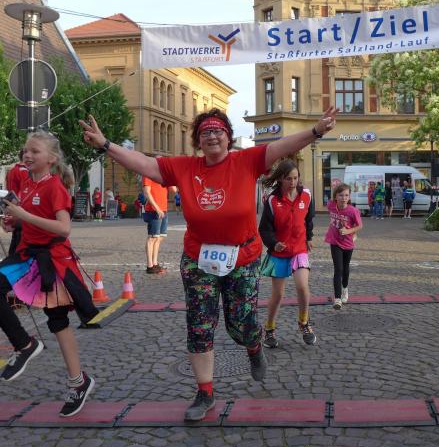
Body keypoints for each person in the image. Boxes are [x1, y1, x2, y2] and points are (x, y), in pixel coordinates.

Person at [81, 106, 338, 422]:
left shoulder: (246, 161)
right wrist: (106, 145)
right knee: (200, 325)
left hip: (242, 258)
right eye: (205, 132)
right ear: (198, 141)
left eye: (218, 131)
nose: (212, 136)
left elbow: (282, 146)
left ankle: (254, 345)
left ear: (228, 137)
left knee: (240, 324)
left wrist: (316, 131)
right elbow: (145, 164)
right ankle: (205, 392)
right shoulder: (184, 167)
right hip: (199, 259)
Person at [0, 131, 99, 417]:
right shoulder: (27, 183)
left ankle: (78, 382)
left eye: (35, 151)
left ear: (51, 158)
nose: (27, 155)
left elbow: (64, 228)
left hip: (51, 259)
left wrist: (25, 217)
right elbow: (29, 219)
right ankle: (24, 344)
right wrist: (14, 224)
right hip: (27, 254)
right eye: (26, 151)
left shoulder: (55, 187)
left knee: (58, 322)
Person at [258, 160, 316, 348]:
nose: (293, 182)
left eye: (296, 178)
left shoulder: (306, 195)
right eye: (289, 179)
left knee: (302, 287)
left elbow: (309, 218)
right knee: (278, 295)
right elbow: (264, 229)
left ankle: (304, 323)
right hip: (279, 253)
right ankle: (269, 328)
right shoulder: (272, 201)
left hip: (299, 249)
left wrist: (309, 236)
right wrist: (274, 243)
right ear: (281, 179)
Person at [325, 183, 363, 310]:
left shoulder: (353, 211)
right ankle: (337, 299)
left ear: (349, 197)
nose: (344, 198)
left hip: (347, 243)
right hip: (335, 242)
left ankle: (345, 289)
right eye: (341, 195)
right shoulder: (331, 205)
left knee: (345, 269)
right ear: (335, 196)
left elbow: (360, 226)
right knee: (338, 269)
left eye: (346, 195)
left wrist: (348, 231)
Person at [142, 170, 169, 274]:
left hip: (164, 209)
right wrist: (157, 208)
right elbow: (146, 192)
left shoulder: (163, 175)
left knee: (159, 237)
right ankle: (150, 266)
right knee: (152, 237)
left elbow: (174, 189)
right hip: (154, 210)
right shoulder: (148, 174)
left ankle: (155, 263)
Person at [5, 148, 29, 255]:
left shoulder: (11, 171)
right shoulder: (24, 172)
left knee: (15, 242)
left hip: (12, 207)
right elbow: (25, 192)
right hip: (21, 210)